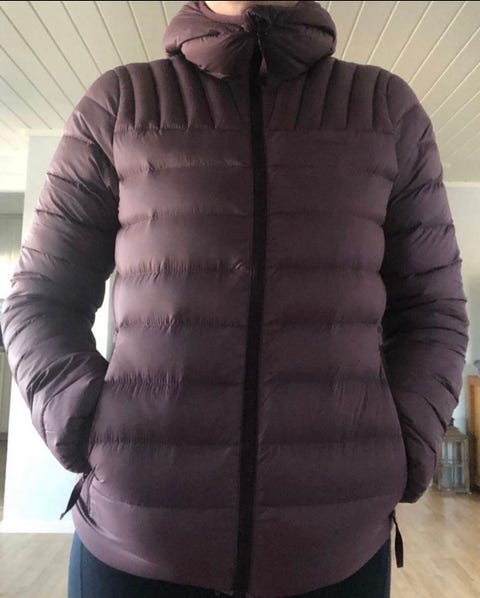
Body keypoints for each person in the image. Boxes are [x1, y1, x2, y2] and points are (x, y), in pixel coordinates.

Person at [0, 1, 469, 597]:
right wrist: (87, 430)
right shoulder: (121, 104)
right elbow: (40, 298)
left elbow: (434, 312)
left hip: (337, 551)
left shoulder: (385, 110)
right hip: (135, 544)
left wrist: (402, 448)